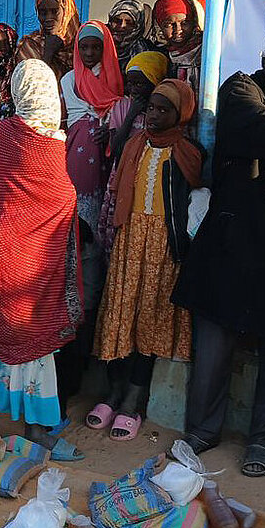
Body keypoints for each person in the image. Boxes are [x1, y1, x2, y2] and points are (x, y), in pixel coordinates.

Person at [172, 28, 265, 476]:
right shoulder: (240, 92)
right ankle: (202, 430)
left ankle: (262, 442)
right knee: (215, 345)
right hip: (234, 243)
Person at [0, 60, 84, 450]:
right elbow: (59, 196)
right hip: (31, 261)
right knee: (33, 338)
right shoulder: (51, 143)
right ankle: (36, 429)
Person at [91, 79, 202, 441]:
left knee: (149, 321)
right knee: (120, 315)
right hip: (130, 239)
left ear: (180, 113)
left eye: (162, 109)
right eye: (151, 107)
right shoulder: (134, 145)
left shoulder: (189, 153)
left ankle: (133, 401)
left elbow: (193, 202)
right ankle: (113, 393)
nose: (153, 115)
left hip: (164, 247)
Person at [98, 51, 170, 254]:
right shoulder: (122, 107)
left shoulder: (162, 110)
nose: (133, 89)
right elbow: (115, 148)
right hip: (123, 174)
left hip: (150, 177)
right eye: (130, 83)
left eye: (140, 84)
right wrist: (131, 115)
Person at [61, 20, 124, 237]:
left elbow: (119, 111)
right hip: (76, 147)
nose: (89, 53)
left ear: (105, 48)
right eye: (84, 47)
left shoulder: (113, 78)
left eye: (96, 47)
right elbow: (63, 117)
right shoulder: (69, 80)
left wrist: (109, 129)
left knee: (100, 202)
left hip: (106, 150)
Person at [16, 0, 80, 83]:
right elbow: (30, 85)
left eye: (55, 11)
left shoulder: (82, 43)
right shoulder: (32, 45)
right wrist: (48, 53)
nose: (48, 18)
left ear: (67, 11)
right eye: (43, 12)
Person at [152, 0, 203, 97]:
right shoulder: (160, 56)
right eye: (169, 25)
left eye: (184, 23)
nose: (178, 30)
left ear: (194, 22)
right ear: (159, 27)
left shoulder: (207, 51)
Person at [107, 0, 159, 75]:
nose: (122, 26)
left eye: (129, 23)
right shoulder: (101, 44)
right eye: (117, 21)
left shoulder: (145, 51)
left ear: (138, 25)